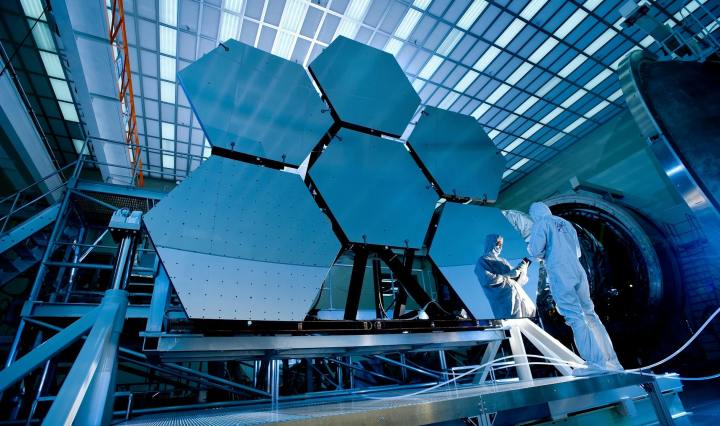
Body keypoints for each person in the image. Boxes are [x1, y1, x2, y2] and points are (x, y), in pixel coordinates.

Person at [527, 202, 623, 374]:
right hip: (578, 271)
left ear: (535, 215)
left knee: (574, 317)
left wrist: (542, 254)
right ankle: (612, 362)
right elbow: (578, 252)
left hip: (560, 271)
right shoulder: (566, 224)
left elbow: (534, 251)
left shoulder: (541, 223)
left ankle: (596, 363)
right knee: (591, 315)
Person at [475, 234, 536, 319]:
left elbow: (517, 280)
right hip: (505, 300)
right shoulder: (483, 261)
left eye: (501, 245)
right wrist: (508, 275)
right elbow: (487, 279)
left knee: (531, 315)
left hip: (518, 294)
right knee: (513, 322)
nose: (500, 247)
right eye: (498, 244)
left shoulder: (503, 261)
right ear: (491, 243)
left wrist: (522, 269)